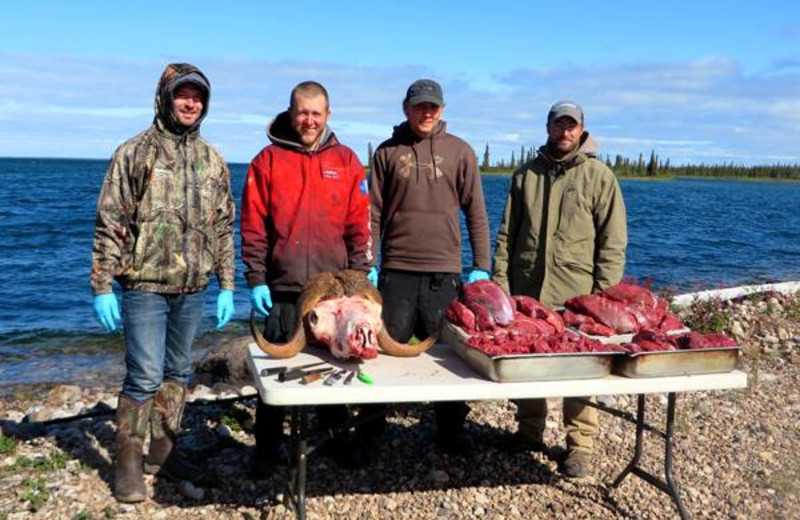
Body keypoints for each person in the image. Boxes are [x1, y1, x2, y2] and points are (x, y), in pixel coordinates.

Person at [90, 63, 236, 502]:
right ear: (165, 97)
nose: (191, 103)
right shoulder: (134, 152)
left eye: (198, 97)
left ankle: (164, 451)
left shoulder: (212, 158)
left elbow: (225, 225)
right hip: (144, 288)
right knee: (144, 376)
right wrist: (101, 285)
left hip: (194, 289)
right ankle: (129, 465)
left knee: (178, 373)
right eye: (183, 95)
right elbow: (110, 221)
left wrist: (228, 282)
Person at [240, 81, 372, 473]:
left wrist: (361, 280)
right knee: (277, 372)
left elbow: (359, 226)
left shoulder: (347, 161)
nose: (309, 120)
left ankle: (334, 441)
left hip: (333, 292)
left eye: (316, 113)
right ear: (290, 112)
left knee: (334, 367)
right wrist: (256, 277)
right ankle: (267, 449)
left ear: (328, 115)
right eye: (302, 112)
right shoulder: (267, 160)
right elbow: (252, 227)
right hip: (283, 289)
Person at [492, 100, 627, 477]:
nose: (564, 132)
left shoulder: (600, 178)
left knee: (581, 369)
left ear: (582, 129)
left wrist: (602, 297)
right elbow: (506, 236)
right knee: (527, 364)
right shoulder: (525, 176)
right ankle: (529, 431)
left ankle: (579, 445)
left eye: (572, 126)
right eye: (558, 125)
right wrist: (501, 284)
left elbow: (612, 244)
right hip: (527, 292)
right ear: (548, 127)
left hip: (577, 296)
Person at [369, 79, 492, 455]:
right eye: (419, 106)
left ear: (442, 110)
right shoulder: (387, 153)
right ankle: (371, 431)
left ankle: (451, 430)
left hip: (444, 273)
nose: (426, 113)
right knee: (383, 353)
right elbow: (371, 214)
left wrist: (481, 265)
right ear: (406, 108)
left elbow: (477, 214)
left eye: (433, 107)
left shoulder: (461, 152)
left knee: (448, 356)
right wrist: (368, 263)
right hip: (396, 272)